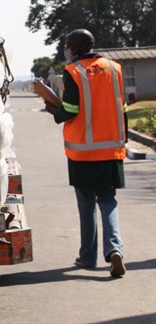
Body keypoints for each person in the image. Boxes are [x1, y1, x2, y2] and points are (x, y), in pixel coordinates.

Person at [45, 29, 127, 277]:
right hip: (111, 150)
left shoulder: (73, 72)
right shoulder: (114, 68)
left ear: (79, 47)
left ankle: (88, 257)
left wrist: (53, 110)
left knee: (86, 204)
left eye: (69, 45)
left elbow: (70, 108)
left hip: (82, 153)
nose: (66, 50)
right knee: (108, 201)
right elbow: (122, 106)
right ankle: (115, 251)